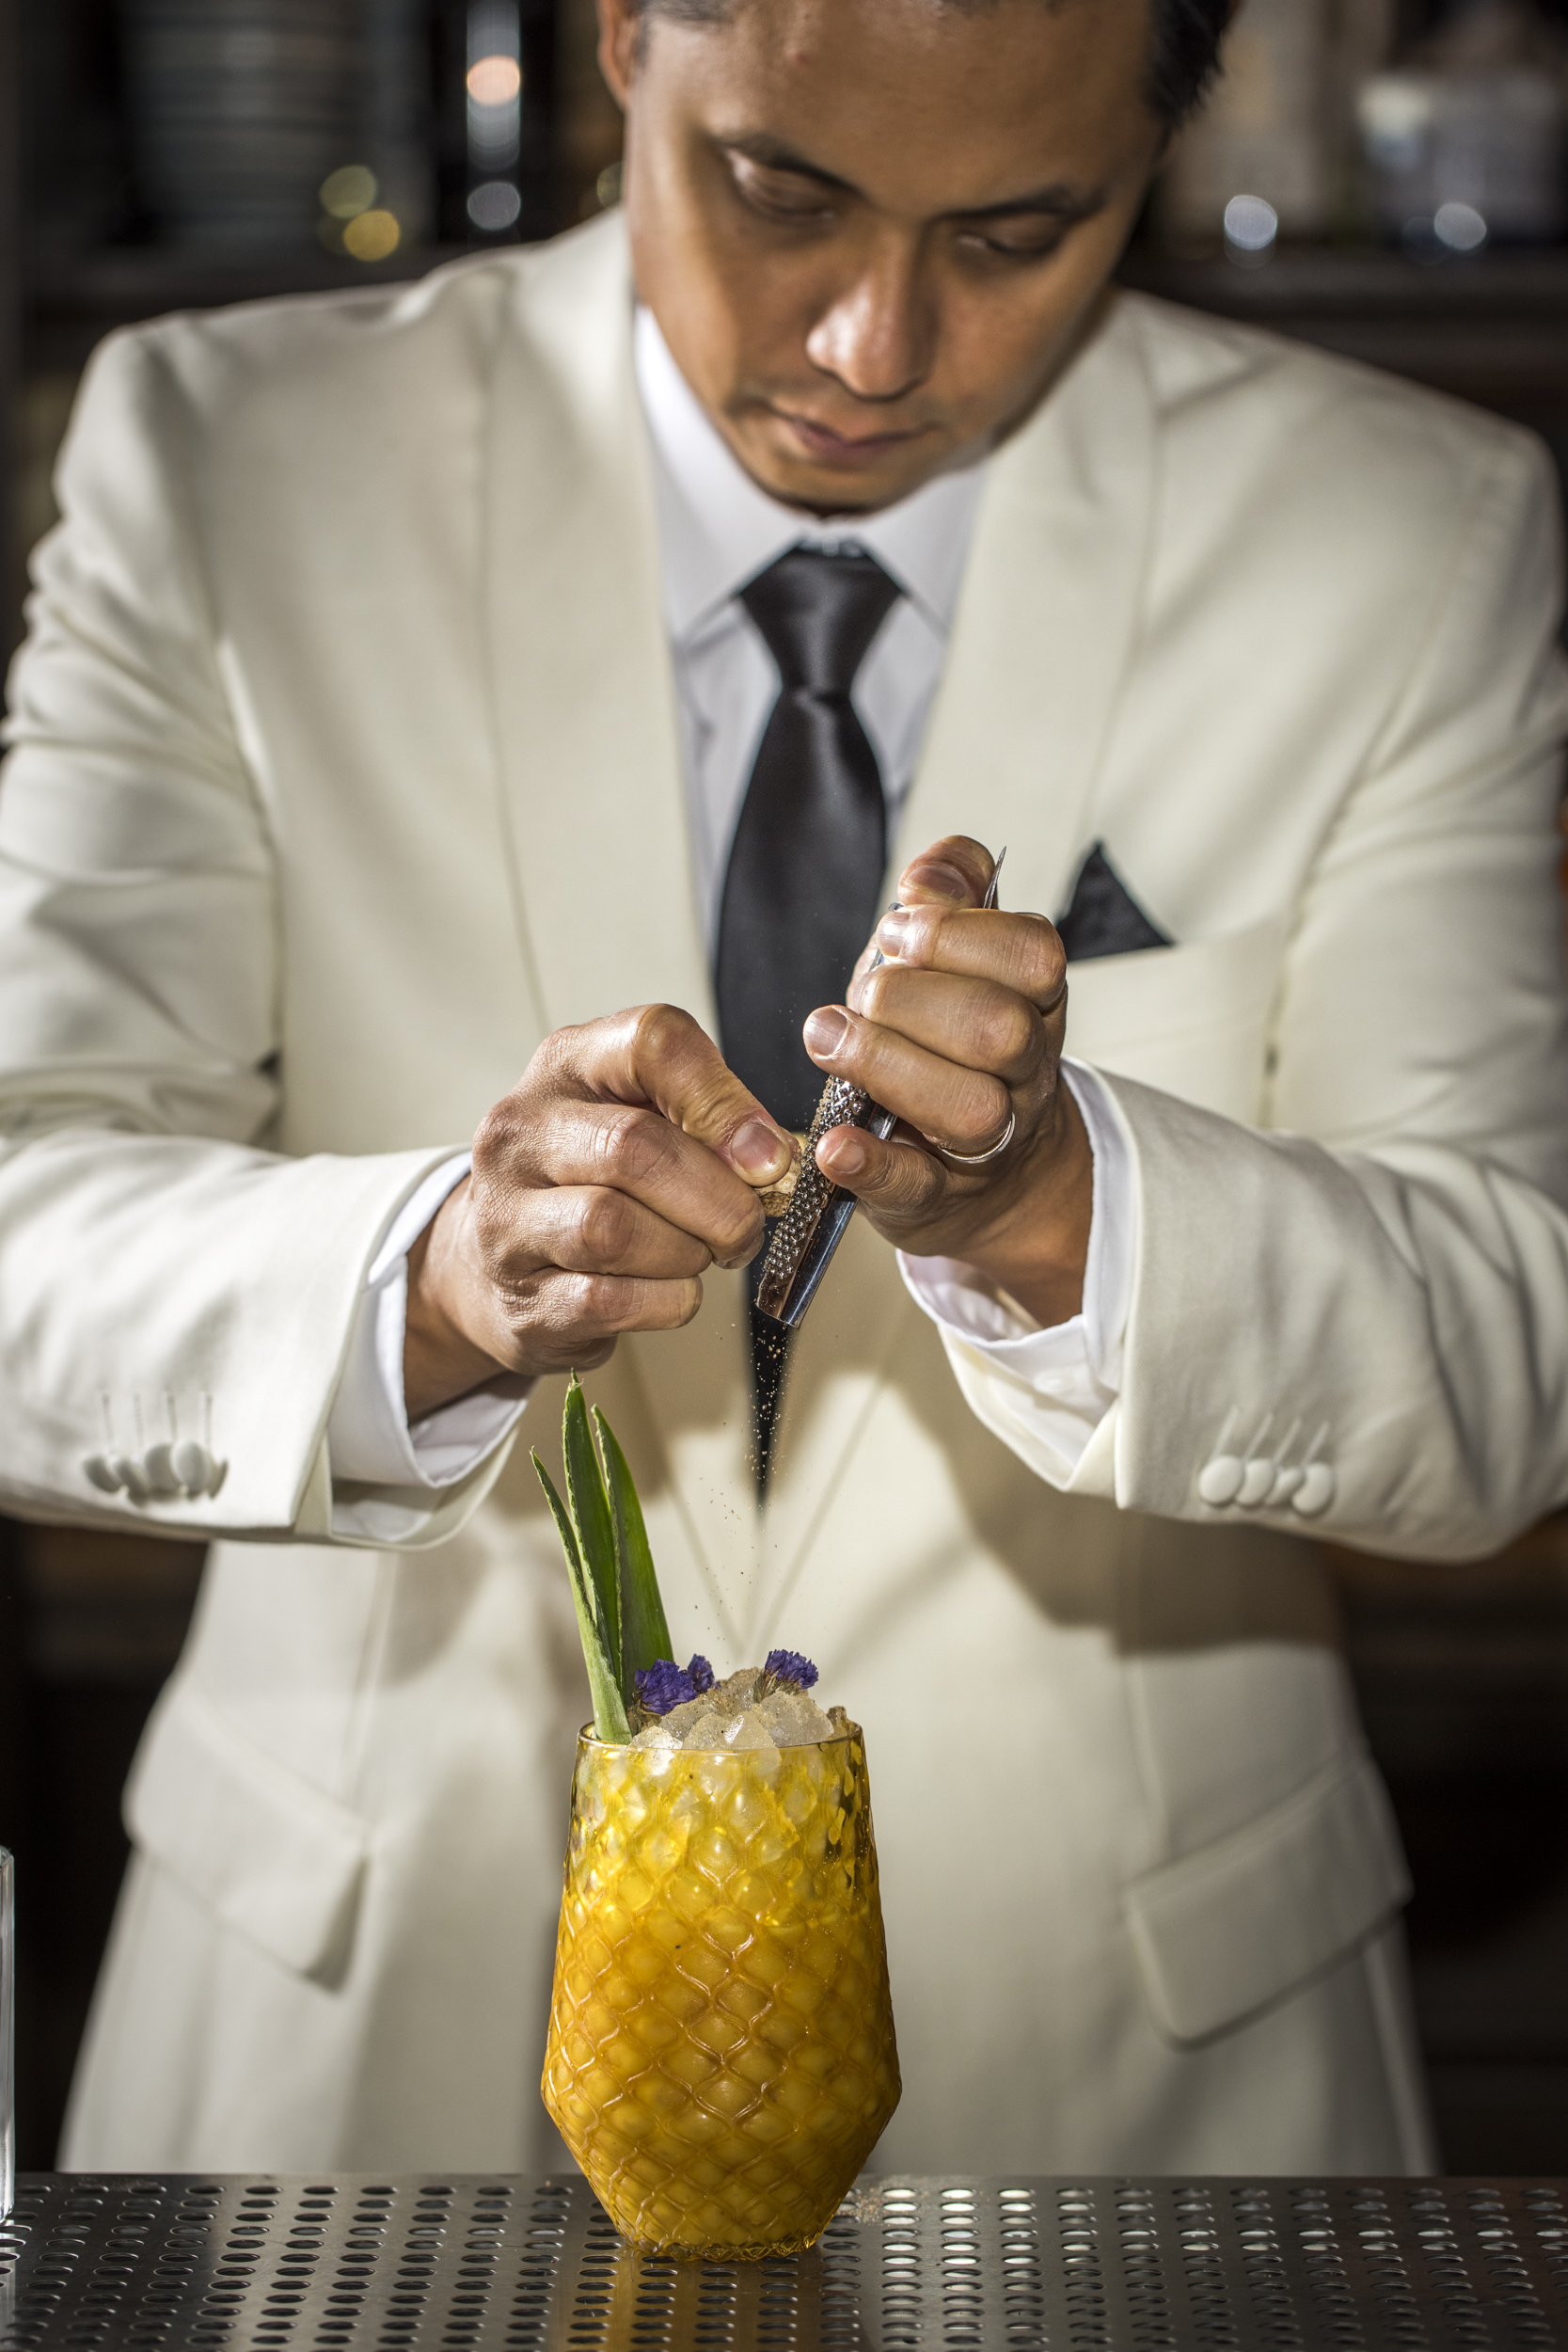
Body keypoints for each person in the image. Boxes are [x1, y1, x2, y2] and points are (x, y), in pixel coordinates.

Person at [3, 0, 1566, 2179]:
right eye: (784, 193)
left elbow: (1515, 1351)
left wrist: (1062, 1209)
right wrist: (433, 1279)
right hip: (355, 2050)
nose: (870, 342)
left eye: (1021, 230)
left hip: (1129, 2073)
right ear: (629, 34)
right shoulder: (217, 452)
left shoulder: (1417, 531)